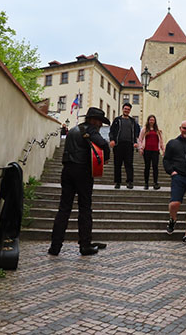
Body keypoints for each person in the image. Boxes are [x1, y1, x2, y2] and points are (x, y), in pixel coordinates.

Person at [48, 107, 111, 256]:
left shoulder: (73, 130)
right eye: (100, 121)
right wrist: (106, 157)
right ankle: (85, 245)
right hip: (82, 172)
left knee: (64, 209)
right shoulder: (91, 130)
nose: (100, 125)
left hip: (67, 170)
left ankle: (55, 247)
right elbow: (103, 144)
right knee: (85, 208)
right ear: (93, 120)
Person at [109, 102, 141, 189]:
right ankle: (117, 182)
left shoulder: (133, 121)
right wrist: (112, 140)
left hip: (129, 145)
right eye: (125, 109)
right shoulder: (117, 120)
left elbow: (136, 132)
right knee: (117, 164)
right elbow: (112, 131)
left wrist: (135, 141)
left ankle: (130, 182)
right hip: (118, 144)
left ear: (130, 110)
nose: (126, 110)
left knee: (129, 164)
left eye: (128, 109)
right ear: (123, 109)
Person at [137, 114, 165, 190]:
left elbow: (161, 141)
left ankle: (155, 183)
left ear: (155, 121)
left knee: (155, 167)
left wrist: (163, 149)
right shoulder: (144, 129)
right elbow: (140, 139)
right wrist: (140, 148)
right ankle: (146, 183)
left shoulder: (157, 130)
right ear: (148, 121)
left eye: (153, 120)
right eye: (150, 120)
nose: (151, 121)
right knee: (147, 167)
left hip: (155, 151)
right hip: (147, 150)